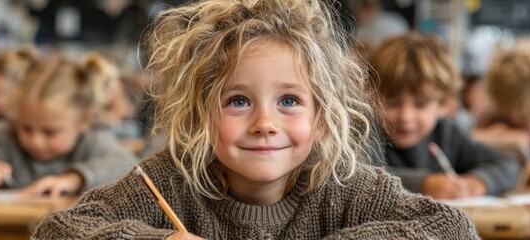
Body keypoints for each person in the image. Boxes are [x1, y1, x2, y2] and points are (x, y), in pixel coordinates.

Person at [33, 1, 478, 239]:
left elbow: (453, 229)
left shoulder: (345, 189)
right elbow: (57, 232)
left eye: (289, 101)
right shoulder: (168, 182)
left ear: (322, 118)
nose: (265, 122)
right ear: (198, 115)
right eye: (238, 102)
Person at [369, 33, 520, 199]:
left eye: (421, 104)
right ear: (371, 97)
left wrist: (477, 183)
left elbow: (507, 164)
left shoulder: (447, 134)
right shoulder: (366, 134)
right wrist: (424, 185)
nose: (406, 116)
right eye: (393, 103)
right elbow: (364, 176)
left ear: (443, 105)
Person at [0, 54, 137, 197]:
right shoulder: (4, 136)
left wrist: (75, 179)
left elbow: (127, 164)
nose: (36, 141)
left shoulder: (91, 139)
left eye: (50, 132)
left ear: (84, 121)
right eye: (26, 128)